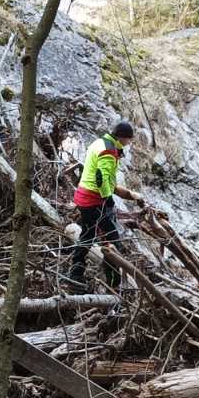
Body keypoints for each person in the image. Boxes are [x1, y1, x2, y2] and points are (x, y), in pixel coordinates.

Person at [67, 120, 140, 291]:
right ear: (122, 137)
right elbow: (101, 177)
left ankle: (75, 275)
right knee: (112, 241)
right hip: (94, 201)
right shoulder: (109, 150)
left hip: (83, 197)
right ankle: (113, 284)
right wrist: (108, 199)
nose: (129, 143)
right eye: (129, 140)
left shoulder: (99, 142)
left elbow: (103, 177)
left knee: (87, 235)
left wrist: (129, 195)